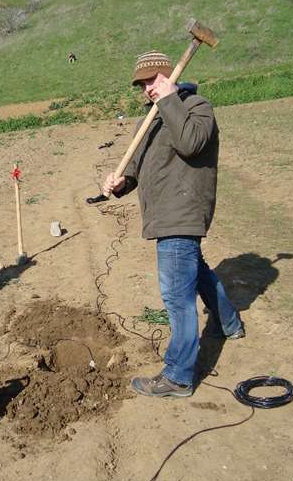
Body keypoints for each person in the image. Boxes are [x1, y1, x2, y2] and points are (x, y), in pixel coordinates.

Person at [103, 51, 244, 398]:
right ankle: (229, 323)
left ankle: (179, 376)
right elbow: (136, 169)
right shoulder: (147, 122)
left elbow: (191, 143)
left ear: (169, 76)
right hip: (163, 215)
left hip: (181, 213)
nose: (147, 89)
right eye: (142, 84)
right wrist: (121, 183)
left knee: (177, 297)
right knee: (197, 273)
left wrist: (169, 100)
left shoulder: (198, 107)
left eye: (153, 80)